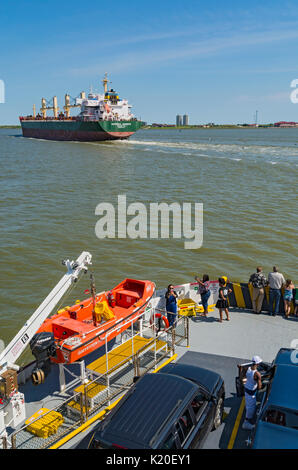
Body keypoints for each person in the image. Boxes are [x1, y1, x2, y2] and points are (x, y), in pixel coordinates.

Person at [242, 356, 263, 430]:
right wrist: (260, 380)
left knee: (248, 404)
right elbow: (260, 387)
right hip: (251, 392)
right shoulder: (257, 374)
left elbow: (243, 376)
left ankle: (247, 409)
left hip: (246, 388)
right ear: (257, 364)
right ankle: (246, 423)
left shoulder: (247, 368)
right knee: (251, 407)